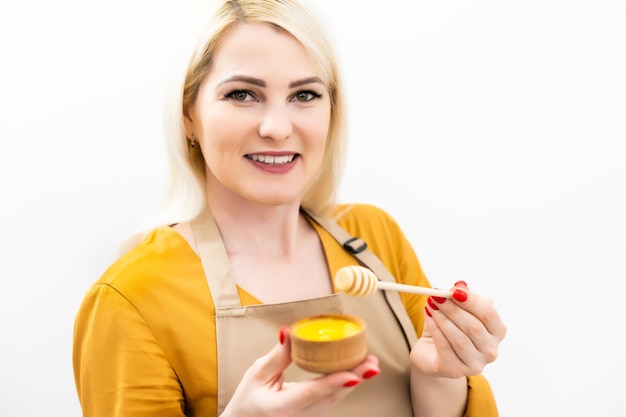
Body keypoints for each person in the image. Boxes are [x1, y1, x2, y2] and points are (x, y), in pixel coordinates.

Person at [72, 0, 507, 416]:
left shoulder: (375, 236)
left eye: (304, 95)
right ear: (189, 114)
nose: (278, 128)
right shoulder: (130, 299)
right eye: (242, 94)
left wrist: (440, 375)